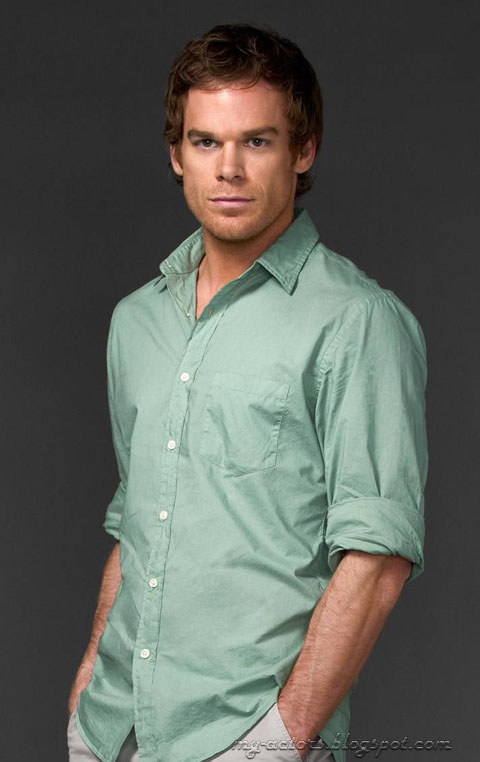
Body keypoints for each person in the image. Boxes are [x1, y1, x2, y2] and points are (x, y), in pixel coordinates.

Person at [66, 22, 428, 762]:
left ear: (304, 150)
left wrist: (275, 742)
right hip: (113, 733)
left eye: (256, 141)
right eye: (205, 142)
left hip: (244, 740)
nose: (228, 168)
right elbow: (138, 522)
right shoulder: (136, 321)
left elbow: (378, 558)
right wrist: (85, 701)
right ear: (177, 155)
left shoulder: (358, 321)